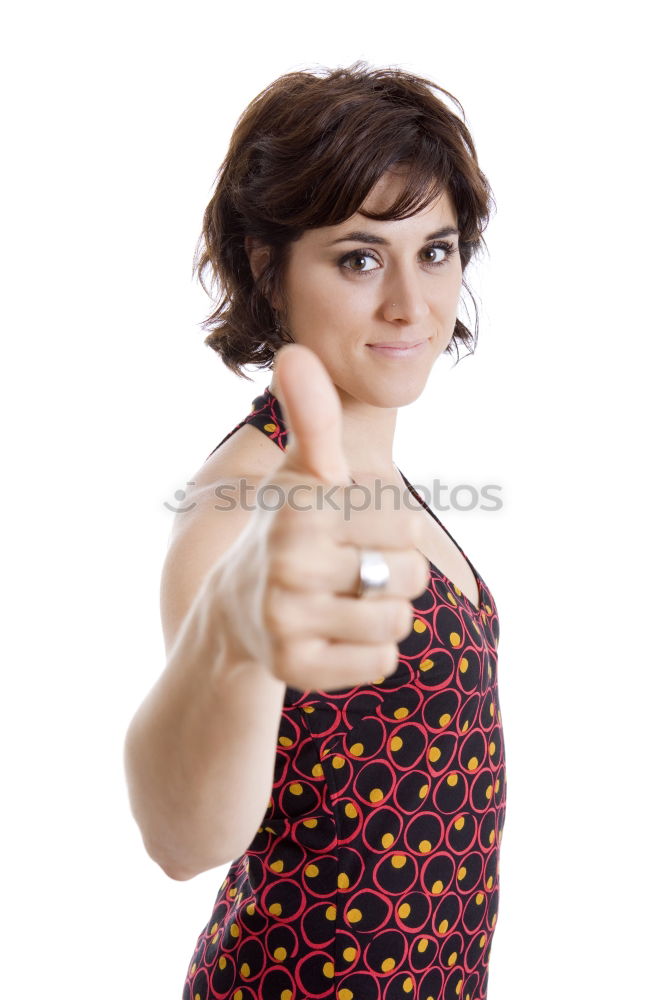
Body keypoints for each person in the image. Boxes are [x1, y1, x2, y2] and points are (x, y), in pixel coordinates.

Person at [124, 61, 507, 1000]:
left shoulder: (385, 481)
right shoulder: (247, 505)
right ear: (269, 267)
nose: (412, 305)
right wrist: (233, 638)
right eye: (360, 257)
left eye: (437, 250)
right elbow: (186, 837)